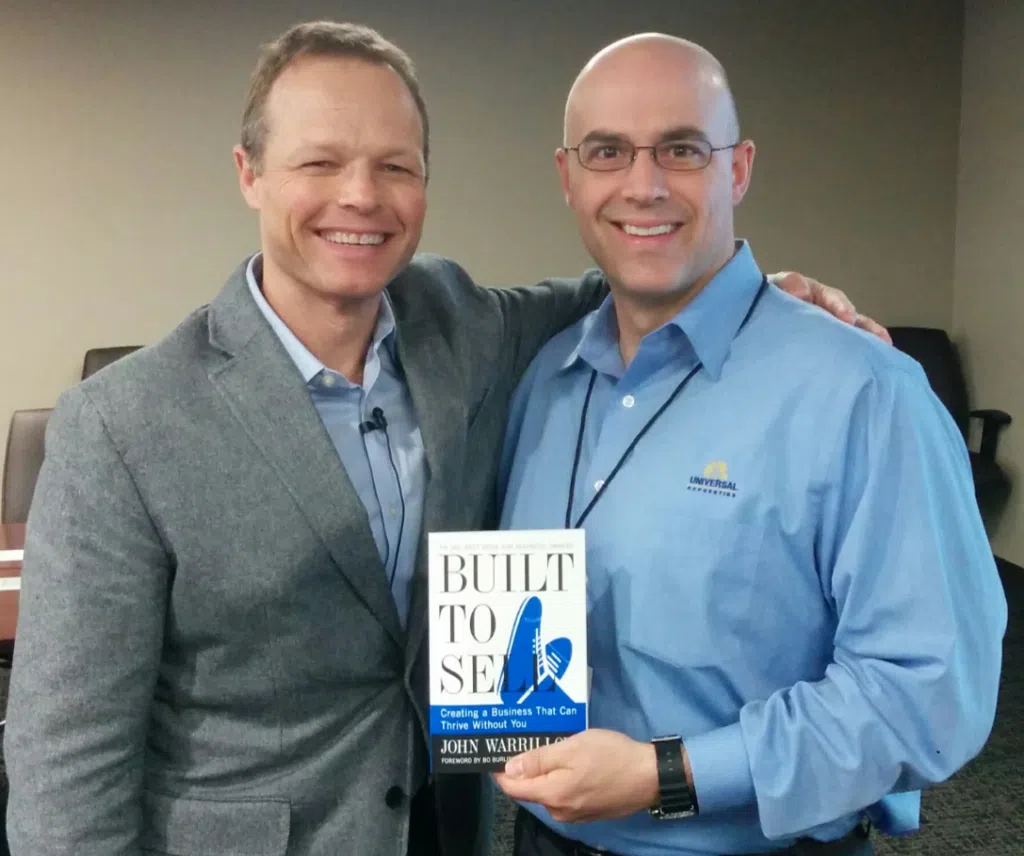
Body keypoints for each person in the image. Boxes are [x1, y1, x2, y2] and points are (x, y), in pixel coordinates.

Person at [4, 21, 882, 856]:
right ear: (250, 173)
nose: (362, 195)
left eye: (396, 165)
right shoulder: (121, 424)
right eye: (320, 161)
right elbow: (66, 758)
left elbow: (628, 277)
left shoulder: (458, 328)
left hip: (448, 829)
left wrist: (757, 288)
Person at [494, 33, 1007, 856]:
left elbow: (928, 695)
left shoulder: (863, 391)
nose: (643, 184)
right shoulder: (545, 380)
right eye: (607, 151)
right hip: (542, 840)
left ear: (738, 169)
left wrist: (668, 774)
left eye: (682, 149)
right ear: (569, 177)